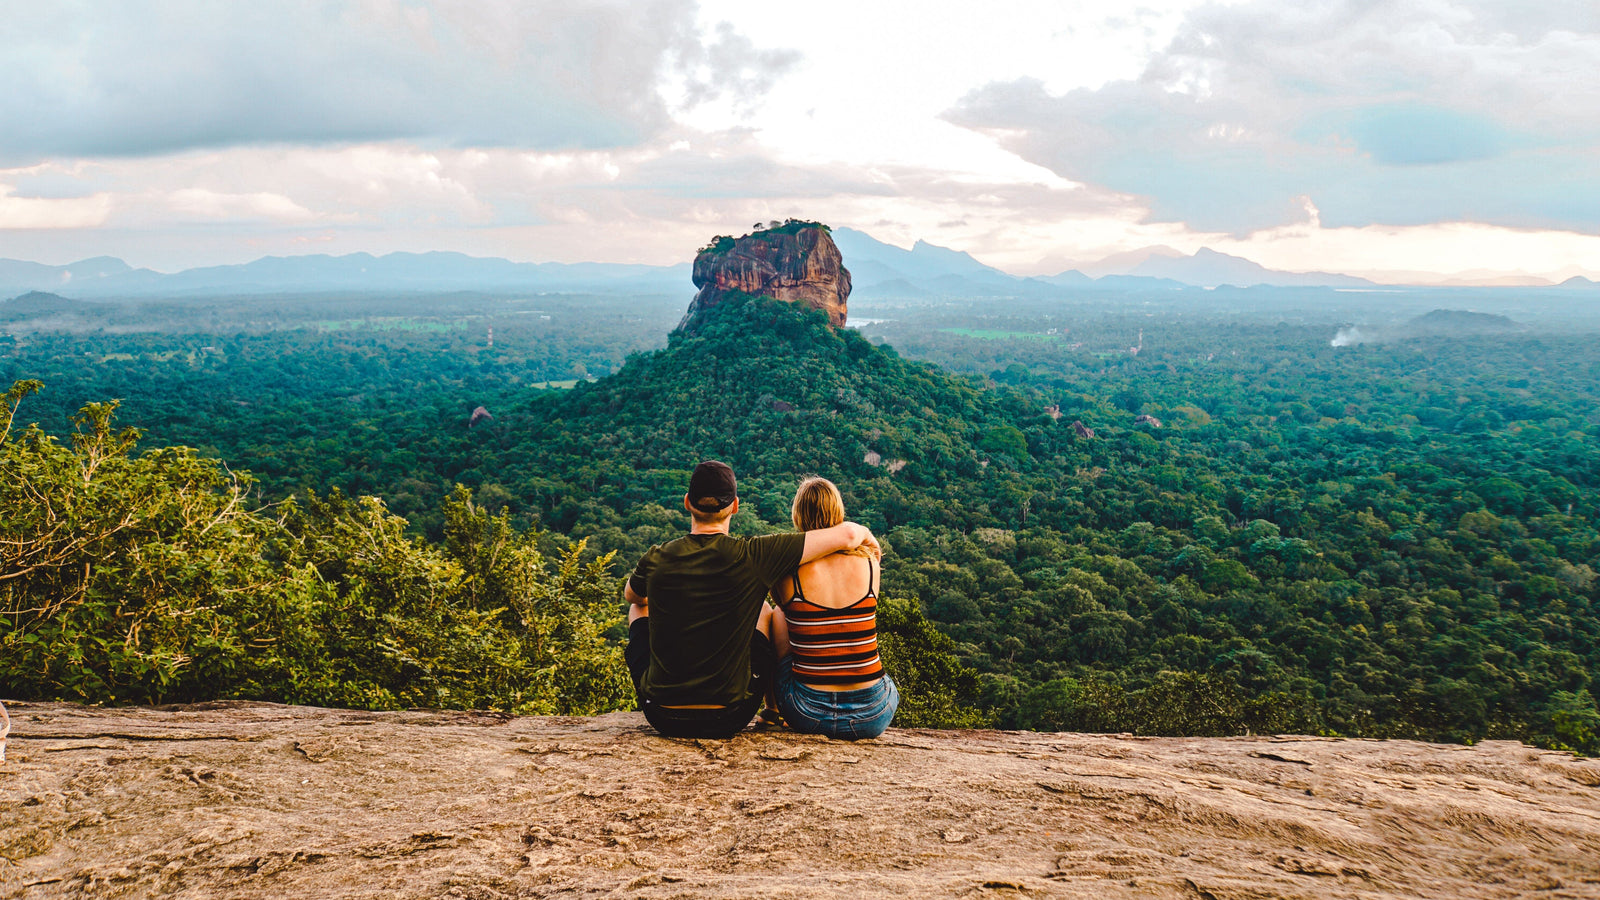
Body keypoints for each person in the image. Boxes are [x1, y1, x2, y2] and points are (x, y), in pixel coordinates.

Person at [624, 461, 880, 739]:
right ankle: (771, 710)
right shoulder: (754, 554)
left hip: (663, 715)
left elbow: (633, 596)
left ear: (687, 502)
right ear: (735, 505)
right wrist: (870, 540)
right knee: (764, 610)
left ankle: (670, 685)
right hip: (730, 715)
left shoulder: (656, 557)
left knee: (638, 609)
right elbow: (850, 534)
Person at [768, 477, 900, 740]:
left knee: (778, 614)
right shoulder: (871, 563)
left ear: (798, 515)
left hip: (807, 713)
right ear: (838, 511)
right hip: (873, 714)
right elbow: (870, 548)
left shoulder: (786, 572)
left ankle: (771, 711)